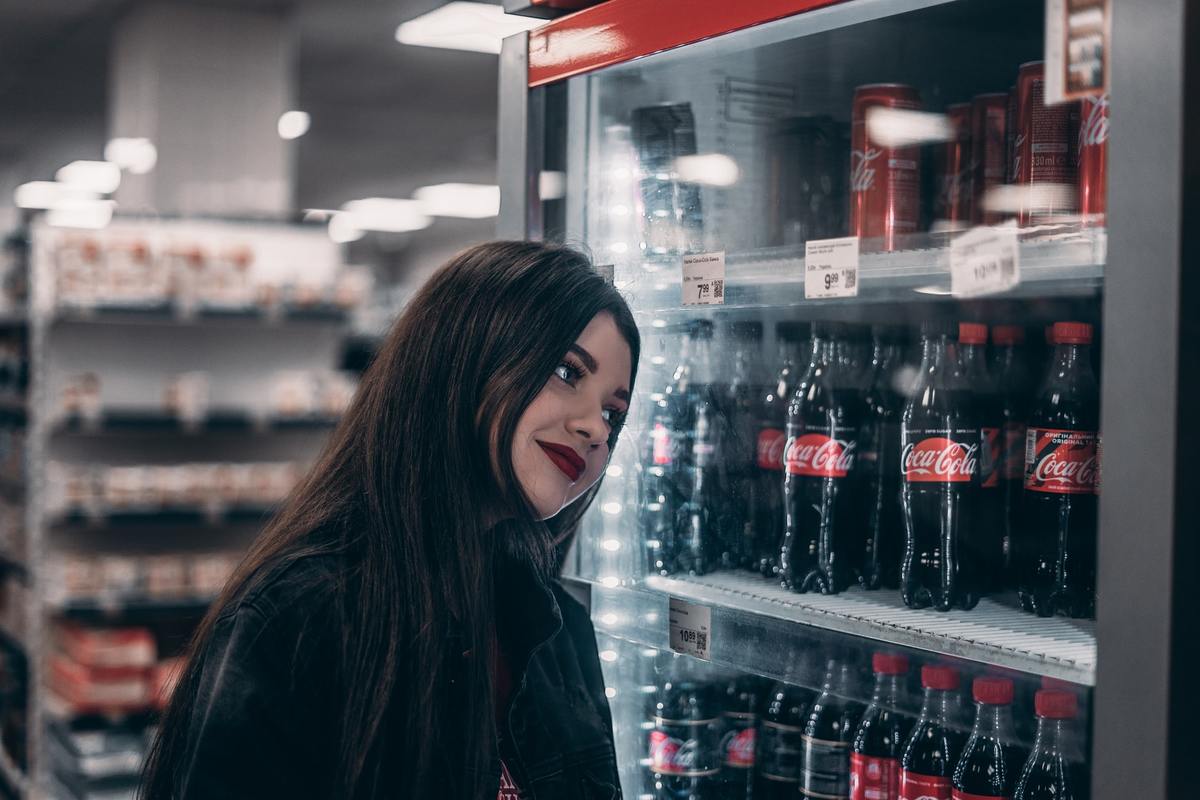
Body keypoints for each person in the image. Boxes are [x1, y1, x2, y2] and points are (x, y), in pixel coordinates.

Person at [140, 241, 640, 799]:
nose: (595, 428)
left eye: (613, 413)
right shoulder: (302, 617)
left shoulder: (560, 632)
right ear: (463, 359)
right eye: (567, 371)